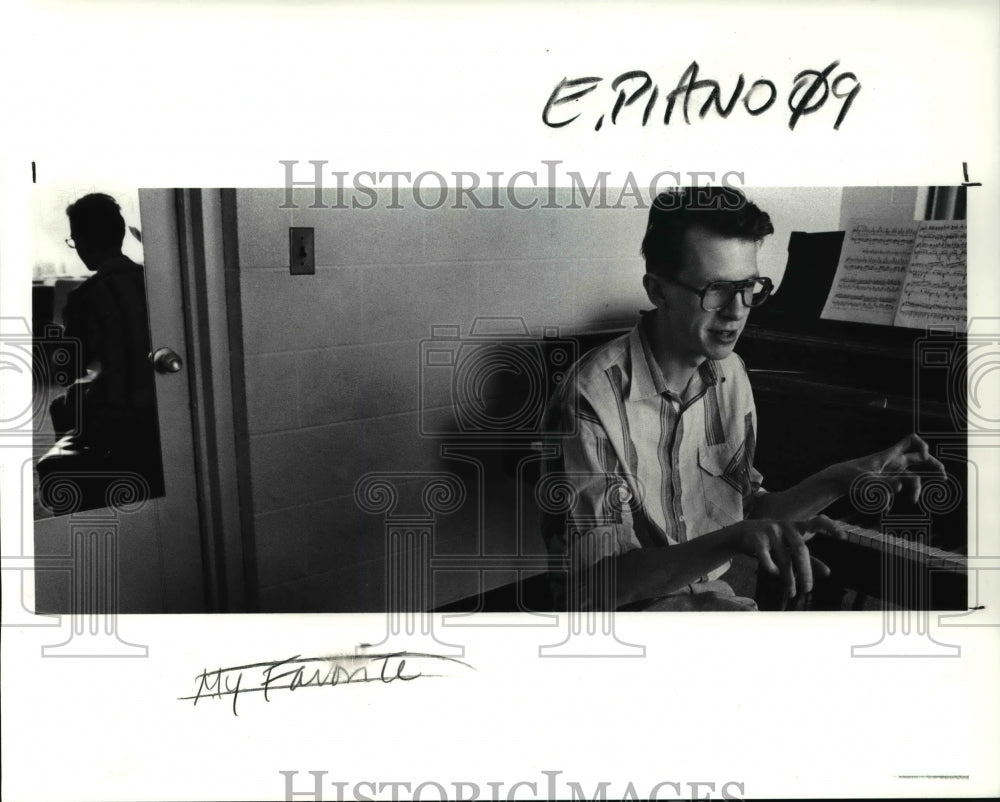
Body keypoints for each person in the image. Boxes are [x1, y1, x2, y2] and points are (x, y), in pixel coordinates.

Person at [542, 186, 946, 611]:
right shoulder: (589, 398)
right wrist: (733, 541)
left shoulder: (730, 372)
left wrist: (840, 479)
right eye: (716, 289)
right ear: (657, 291)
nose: (737, 311)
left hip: (712, 603)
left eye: (749, 286)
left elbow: (748, 512)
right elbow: (598, 585)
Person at [41, 193, 160, 502]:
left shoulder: (86, 297)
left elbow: (69, 372)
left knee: (63, 403)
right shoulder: (152, 282)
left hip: (120, 419)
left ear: (81, 241)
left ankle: (91, 491)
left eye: (74, 241)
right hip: (160, 406)